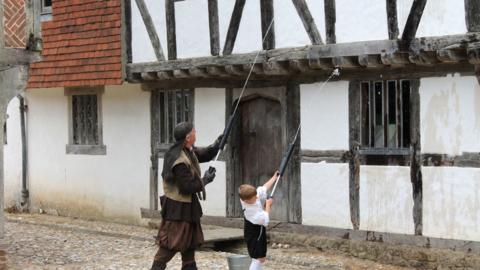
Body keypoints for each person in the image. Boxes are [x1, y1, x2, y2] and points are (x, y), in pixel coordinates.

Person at [151, 122, 222, 270]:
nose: (196, 132)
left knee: (189, 247)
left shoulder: (187, 150)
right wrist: (205, 180)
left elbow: (206, 154)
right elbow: (187, 187)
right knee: (170, 246)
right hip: (178, 209)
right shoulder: (178, 160)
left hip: (188, 208)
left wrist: (219, 142)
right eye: (194, 131)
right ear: (188, 137)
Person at [238, 171, 278, 270]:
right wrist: (268, 205)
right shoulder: (251, 211)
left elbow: (263, 188)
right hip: (254, 231)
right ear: (246, 201)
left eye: (256, 195)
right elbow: (265, 219)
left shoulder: (250, 196)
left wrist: (274, 178)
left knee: (261, 258)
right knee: (258, 258)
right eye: (254, 198)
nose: (257, 198)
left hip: (257, 229)